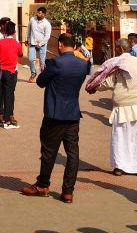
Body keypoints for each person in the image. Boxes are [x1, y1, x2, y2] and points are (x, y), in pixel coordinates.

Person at [20, 33, 89, 203]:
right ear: (74, 46)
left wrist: (46, 72)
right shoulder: (82, 65)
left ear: (59, 45)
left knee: (49, 151)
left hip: (55, 114)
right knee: (73, 153)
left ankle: (43, 184)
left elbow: (41, 82)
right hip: (73, 113)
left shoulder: (56, 63)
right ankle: (68, 191)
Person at [98, 37, 137, 176]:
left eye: (116, 48)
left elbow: (108, 83)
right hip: (135, 104)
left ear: (120, 49)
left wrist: (94, 87)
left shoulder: (117, 63)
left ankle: (119, 167)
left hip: (120, 104)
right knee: (136, 136)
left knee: (120, 136)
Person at [0, 20, 21, 129]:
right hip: (10, 72)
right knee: (9, 96)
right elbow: (21, 54)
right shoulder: (17, 44)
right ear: (14, 33)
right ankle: (7, 120)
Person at [26, 6, 52, 83]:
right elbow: (28, 29)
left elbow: (47, 36)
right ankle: (33, 73)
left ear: (43, 14)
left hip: (42, 45)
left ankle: (42, 77)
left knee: (42, 62)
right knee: (30, 59)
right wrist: (26, 38)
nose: (37, 14)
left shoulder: (47, 24)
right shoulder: (32, 19)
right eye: (37, 12)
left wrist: (40, 44)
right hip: (33, 43)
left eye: (39, 13)